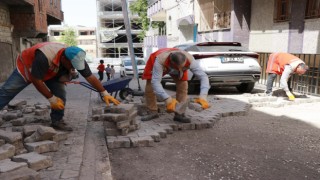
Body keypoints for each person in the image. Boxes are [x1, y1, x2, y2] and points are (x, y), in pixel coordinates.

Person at [0, 42, 120, 131]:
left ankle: (57, 120)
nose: (74, 67)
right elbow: (36, 80)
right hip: (27, 66)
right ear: (63, 58)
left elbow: (90, 77)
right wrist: (51, 98)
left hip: (52, 70)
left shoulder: (76, 57)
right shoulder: (44, 55)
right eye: (72, 65)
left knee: (60, 94)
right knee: (7, 91)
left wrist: (104, 92)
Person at [142, 48, 211, 123]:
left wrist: (203, 95)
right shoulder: (159, 60)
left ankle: (179, 114)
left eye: (183, 66)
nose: (180, 69)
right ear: (172, 62)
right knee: (150, 86)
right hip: (158, 61)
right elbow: (155, 82)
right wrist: (167, 98)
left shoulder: (190, 60)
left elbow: (203, 77)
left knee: (183, 85)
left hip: (177, 64)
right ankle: (152, 111)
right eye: (179, 67)